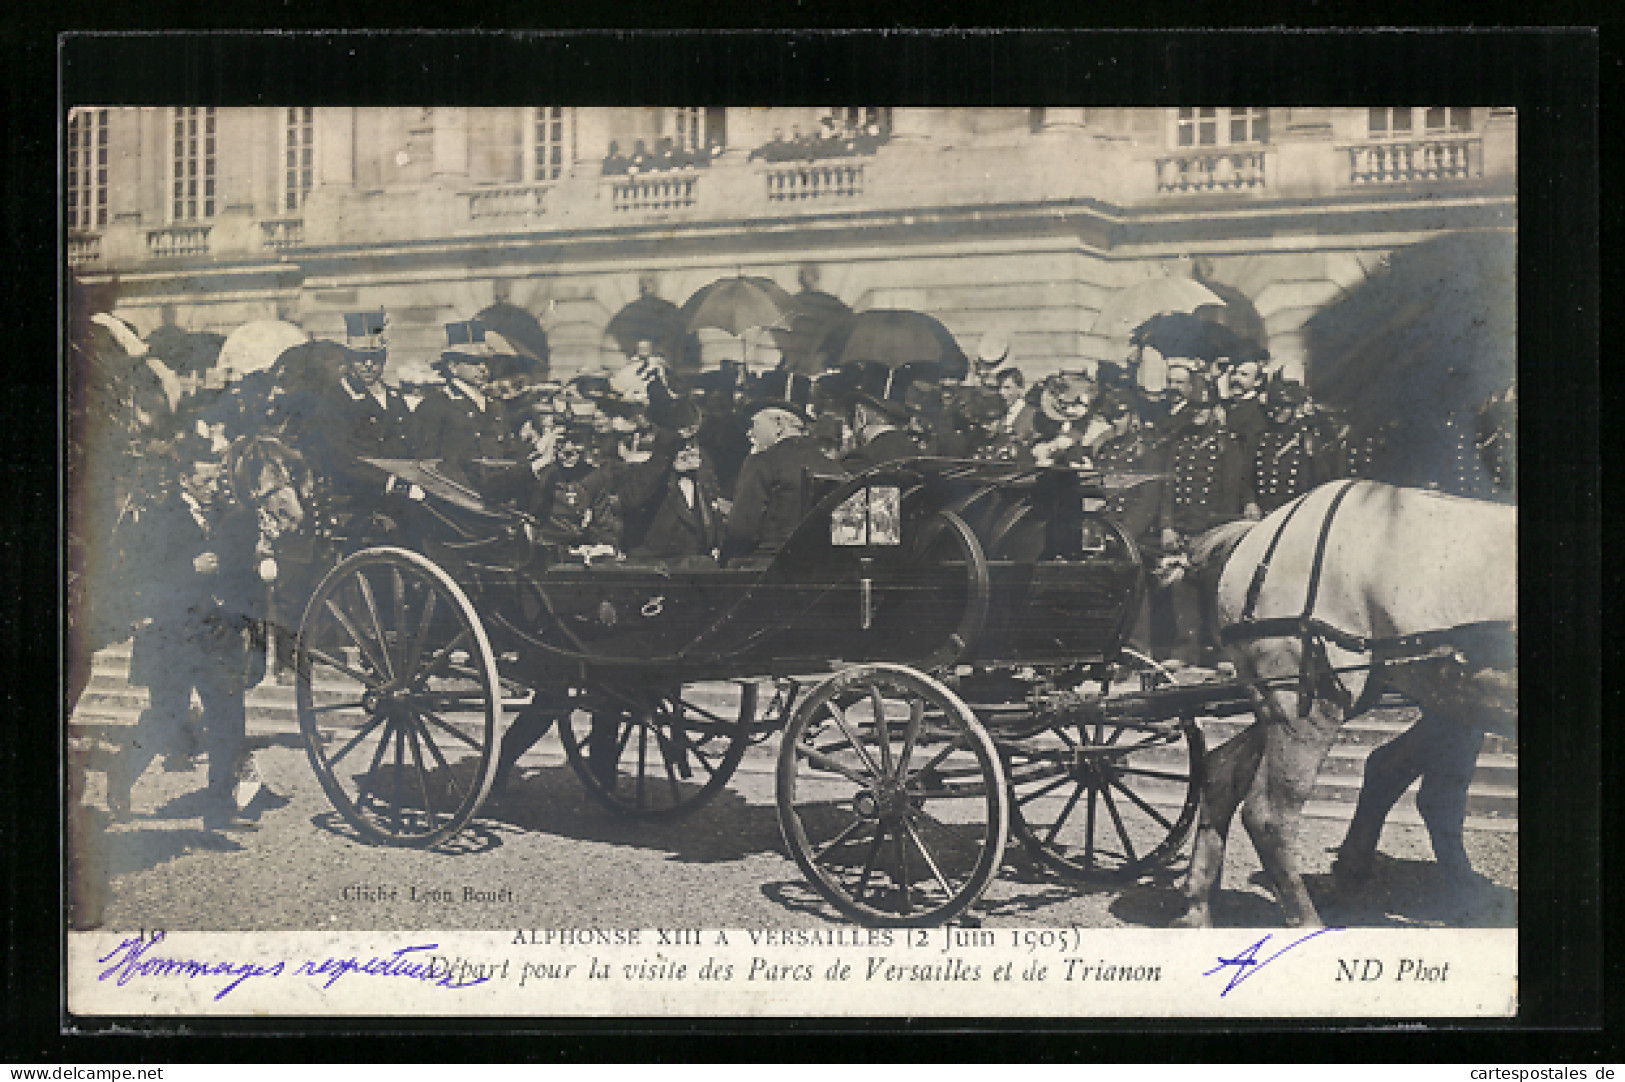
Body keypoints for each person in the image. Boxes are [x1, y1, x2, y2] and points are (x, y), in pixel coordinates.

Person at [107, 436, 278, 831]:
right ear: (185, 479)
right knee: (166, 716)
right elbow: (139, 578)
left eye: (218, 476)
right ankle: (120, 776)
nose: (214, 485)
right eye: (206, 478)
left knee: (228, 719)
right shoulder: (158, 516)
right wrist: (189, 569)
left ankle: (219, 810)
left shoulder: (227, 514)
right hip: (172, 635)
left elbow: (236, 568)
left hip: (217, 636)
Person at [723, 402, 843, 566]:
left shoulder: (762, 461)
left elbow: (742, 529)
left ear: (778, 424)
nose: (749, 432)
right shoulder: (832, 466)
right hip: (818, 569)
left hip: (766, 567)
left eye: (755, 424)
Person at [409, 320, 516, 491]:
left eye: (486, 362)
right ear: (452, 367)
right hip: (454, 497)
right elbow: (425, 461)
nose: (483, 368)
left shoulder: (496, 406)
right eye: (474, 362)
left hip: (495, 495)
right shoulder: (435, 405)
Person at [1250, 370, 1341, 514]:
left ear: (1295, 408)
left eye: (1283, 406)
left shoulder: (1308, 440)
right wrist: (1250, 502)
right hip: (1263, 515)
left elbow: (1322, 480)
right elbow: (1247, 477)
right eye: (1273, 405)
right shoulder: (1261, 439)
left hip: (1296, 515)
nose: (1276, 411)